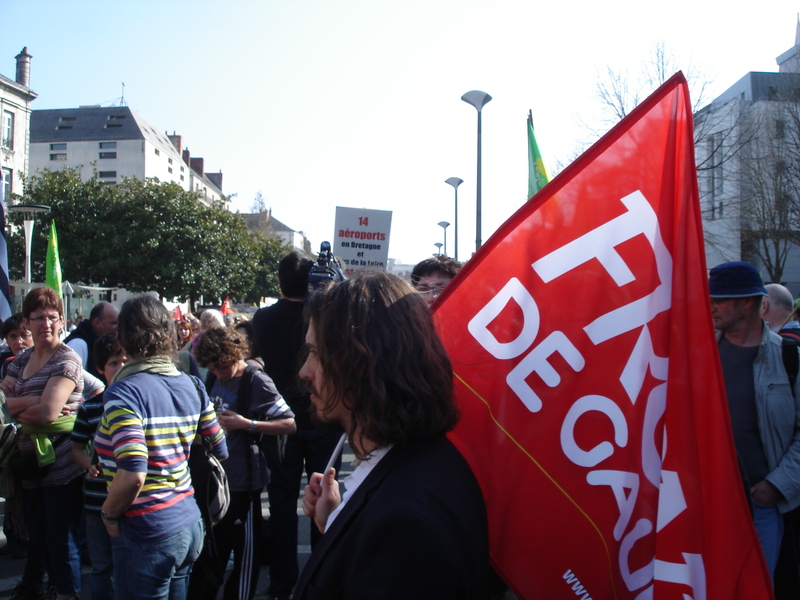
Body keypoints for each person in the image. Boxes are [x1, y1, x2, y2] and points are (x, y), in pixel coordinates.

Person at [296, 272, 488, 599]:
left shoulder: (404, 523)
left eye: (316, 354)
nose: (305, 372)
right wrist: (338, 523)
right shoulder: (420, 465)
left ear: (359, 364)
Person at [93, 296, 228, 600]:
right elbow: (219, 447)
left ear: (121, 339)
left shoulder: (123, 393)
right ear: (169, 335)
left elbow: (132, 474)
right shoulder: (192, 385)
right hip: (188, 522)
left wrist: (108, 515)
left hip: (146, 529)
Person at [252, 251, 344, 600]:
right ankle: (318, 578)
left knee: (281, 504)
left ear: (279, 281)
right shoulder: (320, 318)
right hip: (321, 419)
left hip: (278, 422)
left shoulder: (262, 319)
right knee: (322, 499)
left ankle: (280, 583)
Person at [709, 261, 800, 581]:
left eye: (718, 300)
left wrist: (776, 486)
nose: (713, 308)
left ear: (746, 301)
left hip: (762, 506)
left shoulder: (789, 357)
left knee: (758, 588)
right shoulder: (700, 354)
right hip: (709, 505)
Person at [191, 327, 296, 600]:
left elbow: (289, 423)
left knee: (245, 553)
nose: (218, 372)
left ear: (234, 354)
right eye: (212, 368)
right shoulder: (212, 379)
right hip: (217, 480)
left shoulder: (256, 380)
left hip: (244, 481)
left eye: (222, 366)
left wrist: (247, 424)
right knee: (215, 550)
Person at [1, 287, 85, 600]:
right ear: (27, 322)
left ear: (62, 321)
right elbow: (2, 408)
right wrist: (33, 399)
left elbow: (50, 413)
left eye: (52, 317)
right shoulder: (19, 361)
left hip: (61, 465)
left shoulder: (67, 359)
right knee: (36, 535)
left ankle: (68, 594)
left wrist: (17, 402)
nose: (46, 324)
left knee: (60, 539)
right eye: (39, 318)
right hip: (27, 464)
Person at [70, 334, 128, 600]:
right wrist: (89, 466)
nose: (120, 368)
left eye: (125, 361)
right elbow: (77, 449)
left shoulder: (137, 403)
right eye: (114, 363)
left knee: (128, 565)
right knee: (101, 565)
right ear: (100, 369)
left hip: (130, 501)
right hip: (96, 502)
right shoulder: (91, 407)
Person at [64, 301, 119, 377]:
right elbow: (69, 376)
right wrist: (97, 386)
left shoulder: (98, 342)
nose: (117, 328)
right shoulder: (78, 344)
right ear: (97, 323)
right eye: (114, 323)